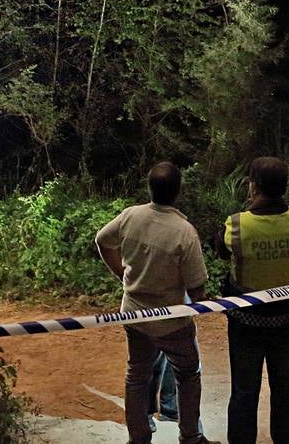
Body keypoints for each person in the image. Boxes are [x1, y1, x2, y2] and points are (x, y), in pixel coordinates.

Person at [96, 162, 219, 444]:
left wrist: (121, 274)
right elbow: (196, 288)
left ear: (149, 188)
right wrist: (207, 302)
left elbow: (102, 240)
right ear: (178, 191)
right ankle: (190, 436)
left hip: (135, 316)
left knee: (137, 376)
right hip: (172, 321)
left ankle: (138, 438)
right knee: (188, 373)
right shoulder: (184, 231)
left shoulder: (130, 216)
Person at [221, 157, 289, 444]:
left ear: (253, 186)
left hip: (246, 326)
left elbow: (222, 249)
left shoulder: (237, 225)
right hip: (288, 323)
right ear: (285, 187)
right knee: (285, 389)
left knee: (243, 392)